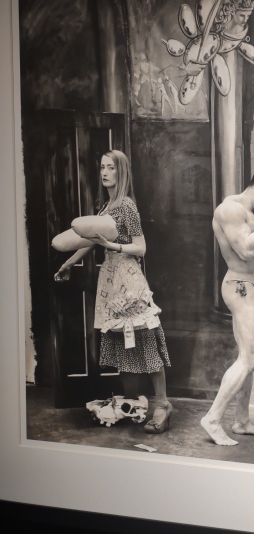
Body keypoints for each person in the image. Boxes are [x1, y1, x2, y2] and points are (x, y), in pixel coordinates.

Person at [53, 150, 173, 433]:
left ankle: (163, 404)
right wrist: (68, 264)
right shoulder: (106, 208)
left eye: (111, 168)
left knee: (144, 342)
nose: (105, 173)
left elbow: (141, 248)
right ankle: (133, 403)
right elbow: (90, 242)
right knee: (122, 344)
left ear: (122, 172)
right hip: (110, 280)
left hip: (129, 281)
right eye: (102, 167)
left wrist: (113, 246)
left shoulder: (127, 206)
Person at [200, 167, 254, 446]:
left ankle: (242, 421)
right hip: (239, 286)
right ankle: (212, 419)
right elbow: (247, 251)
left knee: (247, 358)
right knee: (251, 358)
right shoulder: (230, 210)